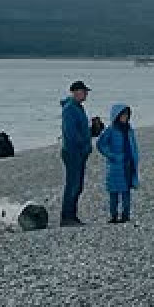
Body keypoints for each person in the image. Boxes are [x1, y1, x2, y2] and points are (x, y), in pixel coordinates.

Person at [97, 103, 140, 224]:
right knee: (114, 192)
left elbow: (134, 146)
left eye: (127, 115)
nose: (125, 117)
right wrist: (112, 156)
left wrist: (135, 159)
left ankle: (126, 215)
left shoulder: (129, 130)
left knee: (126, 191)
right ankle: (114, 216)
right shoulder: (110, 130)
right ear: (116, 116)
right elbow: (100, 144)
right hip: (115, 166)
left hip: (128, 164)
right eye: (123, 115)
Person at [59, 80, 93, 226]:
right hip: (73, 152)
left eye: (86, 92)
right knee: (73, 184)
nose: (86, 94)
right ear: (76, 92)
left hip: (80, 152)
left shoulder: (78, 108)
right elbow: (71, 133)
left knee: (78, 185)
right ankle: (67, 216)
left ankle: (72, 214)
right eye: (84, 91)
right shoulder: (69, 109)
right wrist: (82, 146)